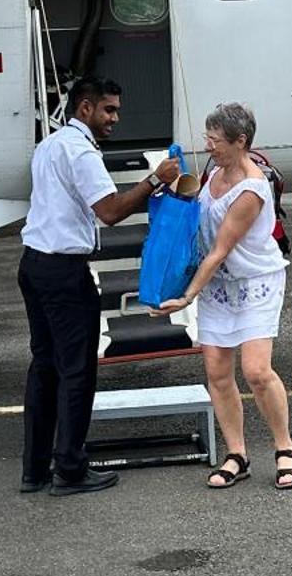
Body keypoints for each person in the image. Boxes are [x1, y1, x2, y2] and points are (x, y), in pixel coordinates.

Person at [17, 76, 182, 496]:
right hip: (63, 272)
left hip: (33, 264)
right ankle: (70, 469)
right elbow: (110, 212)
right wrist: (155, 180)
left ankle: (34, 469)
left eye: (117, 111)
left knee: (45, 365)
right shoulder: (81, 150)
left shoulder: (49, 145)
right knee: (76, 372)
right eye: (108, 110)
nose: (115, 119)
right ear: (85, 108)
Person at [155, 102, 292, 490]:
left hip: (255, 282)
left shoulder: (252, 188)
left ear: (241, 142)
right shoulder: (213, 170)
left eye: (216, 140)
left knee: (255, 370)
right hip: (217, 284)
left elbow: (220, 249)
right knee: (218, 373)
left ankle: (285, 448)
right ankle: (236, 454)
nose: (209, 146)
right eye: (207, 137)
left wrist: (186, 298)